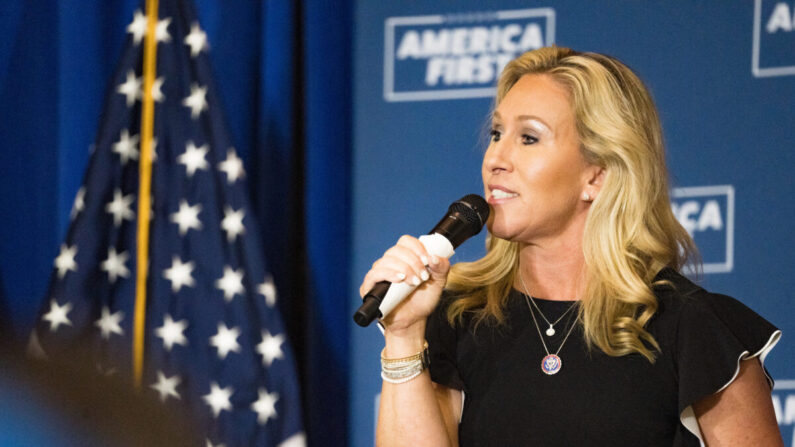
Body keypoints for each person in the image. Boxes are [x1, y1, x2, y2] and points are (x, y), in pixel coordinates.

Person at [360, 46, 783, 446]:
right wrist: (403, 336)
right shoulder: (460, 316)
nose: (495, 159)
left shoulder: (691, 328)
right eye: (496, 133)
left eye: (529, 138)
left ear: (596, 176)